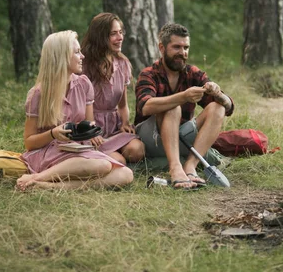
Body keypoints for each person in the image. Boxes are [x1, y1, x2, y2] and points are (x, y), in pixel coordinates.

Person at [16, 30, 134, 191]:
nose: (82, 56)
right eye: (77, 52)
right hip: (50, 151)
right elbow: (29, 142)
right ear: (62, 57)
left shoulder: (84, 84)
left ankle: (47, 186)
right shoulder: (38, 94)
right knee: (103, 165)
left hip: (77, 148)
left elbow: (89, 123)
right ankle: (37, 177)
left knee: (126, 174)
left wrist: (90, 132)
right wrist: (53, 133)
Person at [134, 23, 234, 189]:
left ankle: (190, 166)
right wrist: (183, 96)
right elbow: (145, 106)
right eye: (176, 47)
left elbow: (229, 107)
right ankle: (175, 168)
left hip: (180, 136)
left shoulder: (193, 73)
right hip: (151, 137)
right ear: (162, 47)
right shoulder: (148, 74)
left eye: (186, 47)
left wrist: (218, 94)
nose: (183, 53)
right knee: (173, 107)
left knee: (218, 107)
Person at [81, 12, 145, 165]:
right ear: (100, 37)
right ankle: (100, 157)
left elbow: (122, 104)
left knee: (137, 150)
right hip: (88, 127)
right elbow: (78, 105)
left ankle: (109, 154)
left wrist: (124, 122)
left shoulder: (122, 64)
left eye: (121, 32)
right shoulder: (84, 65)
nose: (120, 37)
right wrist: (89, 131)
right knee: (118, 161)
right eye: (113, 34)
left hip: (113, 127)